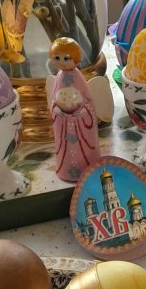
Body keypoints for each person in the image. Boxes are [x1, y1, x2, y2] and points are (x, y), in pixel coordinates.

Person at [48, 37, 99, 184]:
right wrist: (56, 110)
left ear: (75, 58)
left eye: (66, 58)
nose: (62, 62)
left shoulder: (78, 77)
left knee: (84, 146)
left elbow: (87, 101)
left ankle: (88, 168)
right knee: (65, 147)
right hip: (64, 124)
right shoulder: (59, 77)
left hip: (80, 124)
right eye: (57, 58)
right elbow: (54, 101)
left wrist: (83, 112)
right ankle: (65, 169)